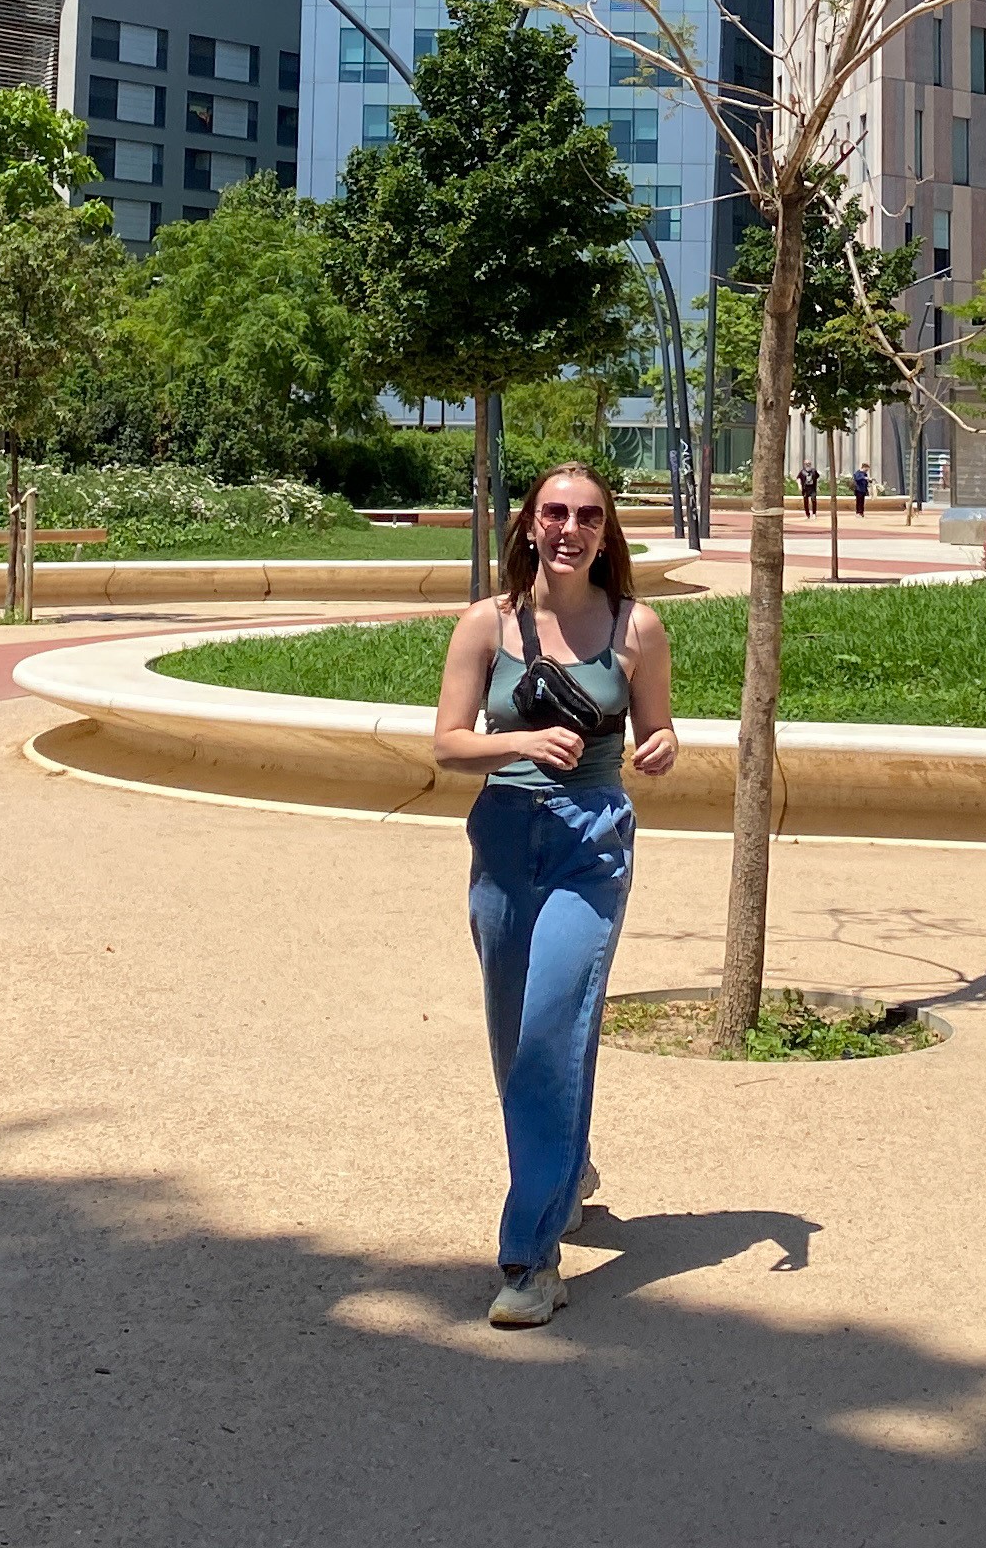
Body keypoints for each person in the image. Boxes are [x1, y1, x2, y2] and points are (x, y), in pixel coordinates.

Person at [430, 458, 676, 1329]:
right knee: (518, 1038)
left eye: (589, 516)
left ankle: (529, 1259)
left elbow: (659, 730)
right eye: (555, 513)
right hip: (503, 839)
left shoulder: (636, 627)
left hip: (591, 843)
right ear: (529, 525)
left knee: (549, 1031)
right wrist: (522, 744)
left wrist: (662, 747)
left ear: (606, 534)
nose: (570, 528)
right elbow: (450, 744)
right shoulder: (484, 626)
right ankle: (564, 1175)